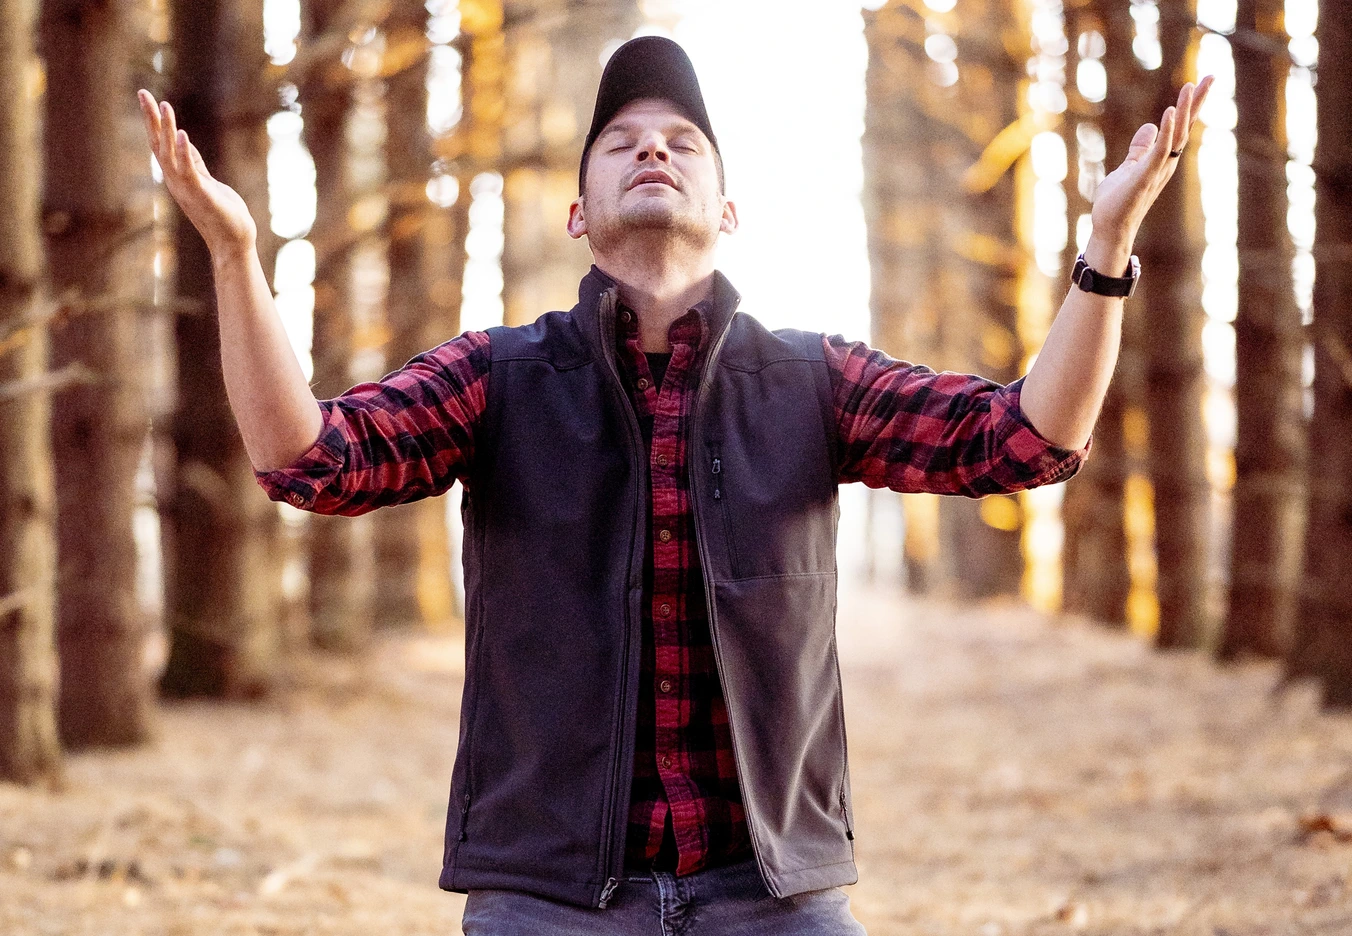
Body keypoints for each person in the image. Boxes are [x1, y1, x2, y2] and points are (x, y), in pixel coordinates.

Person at [138, 34, 1212, 936]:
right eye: (619, 141)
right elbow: (308, 459)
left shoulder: (811, 380)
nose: (651, 145)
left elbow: (1023, 440)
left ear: (728, 211)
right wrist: (235, 255)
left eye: (680, 141)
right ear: (577, 214)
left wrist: (1103, 247)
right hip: (545, 896)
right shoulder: (494, 378)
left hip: (771, 893)